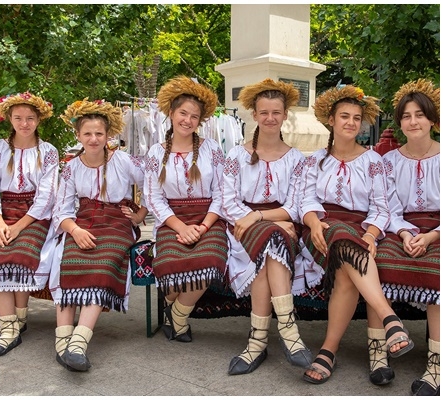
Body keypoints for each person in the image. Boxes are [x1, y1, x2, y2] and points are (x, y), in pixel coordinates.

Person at [300, 84, 414, 384]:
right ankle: (389, 319)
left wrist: (371, 235)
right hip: (322, 229)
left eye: (356, 118)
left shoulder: (374, 162)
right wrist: (312, 223)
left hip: (360, 231)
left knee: (345, 270)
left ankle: (328, 350)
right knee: (338, 236)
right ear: (331, 120)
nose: (351, 122)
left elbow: (381, 207)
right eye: (344, 116)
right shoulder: (313, 160)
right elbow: (306, 200)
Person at [220, 79, 320, 374]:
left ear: (285, 114)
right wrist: (253, 219)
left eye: (276, 112)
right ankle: (290, 335)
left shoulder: (296, 159)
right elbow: (228, 203)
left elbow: (296, 206)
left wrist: (261, 217)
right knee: (271, 240)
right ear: (254, 115)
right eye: (264, 112)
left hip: (279, 227)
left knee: (271, 243)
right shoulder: (236, 156)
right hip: (242, 229)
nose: (270, 118)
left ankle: (257, 343)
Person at [49, 99, 147, 372]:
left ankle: (79, 343)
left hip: (117, 221)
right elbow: (62, 209)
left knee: (104, 263)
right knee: (67, 259)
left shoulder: (124, 161)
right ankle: (63, 343)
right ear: (78, 135)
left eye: (99, 134)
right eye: (87, 133)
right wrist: (75, 230)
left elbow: (151, 184)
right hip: (82, 221)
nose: (93, 139)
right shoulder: (71, 167)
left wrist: (139, 216)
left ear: (109, 135)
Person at [142, 76, 228, 343]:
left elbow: (223, 191)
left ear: (200, 121)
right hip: (172, 221)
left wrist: (203, 227)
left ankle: (176, 315)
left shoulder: (212, 149)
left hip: (208, 219)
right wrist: (180, 227)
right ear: (171, 114)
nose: (188, 120)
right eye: (183, 113)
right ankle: (174, 311)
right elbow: (153, 197)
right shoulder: (156, 153)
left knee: (211, 260)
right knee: (169, 261)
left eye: (194, 116)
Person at [373, 79, 440, 395]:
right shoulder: (388, 162)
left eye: (420, 115)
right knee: (375, 262)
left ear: (432, 119)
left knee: (439, 270)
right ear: (399, 122)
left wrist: (430, 238)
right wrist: (404, 232)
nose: (413, 121)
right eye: (406, 116)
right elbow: (386, 208)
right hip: (399, 229)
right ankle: (379, 354)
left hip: (440, 231)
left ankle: (436, 366)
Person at [0, 92, 59, 357]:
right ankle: (8, 326)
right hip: (1, 211)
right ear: (9, 118)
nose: (24, 124)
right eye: (18, 118)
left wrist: (20, 225)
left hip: (34, 214)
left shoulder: (49, 152)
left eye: (30, 118)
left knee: (21, 251)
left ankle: (19, 318)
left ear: (39, 120)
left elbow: (47, 196)